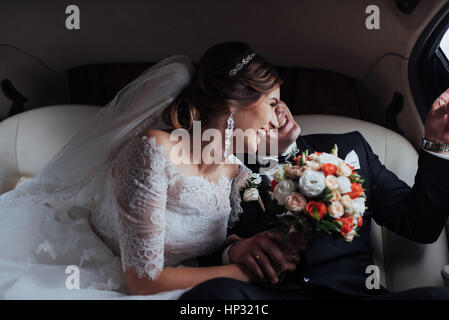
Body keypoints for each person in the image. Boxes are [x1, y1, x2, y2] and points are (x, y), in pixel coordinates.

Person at [0, 42, 286, 299]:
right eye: (272, 104)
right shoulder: (154, 150)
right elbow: (143, 283)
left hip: (181, 287)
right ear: (233, 101)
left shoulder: (234, 173)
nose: (276, 119)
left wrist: (235, 249)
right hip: (100, 277)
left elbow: (202, 233)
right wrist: (243, 273)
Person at [182, 95, 449, 300]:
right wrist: (232, 251)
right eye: (254, 102)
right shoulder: (217, 173)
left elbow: (419, 224)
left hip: (354, 295)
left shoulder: (350, 148)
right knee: (213, 297)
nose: (276, 109)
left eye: (272, 97)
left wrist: (437, 142)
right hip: (270, 296)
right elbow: (193, 251)